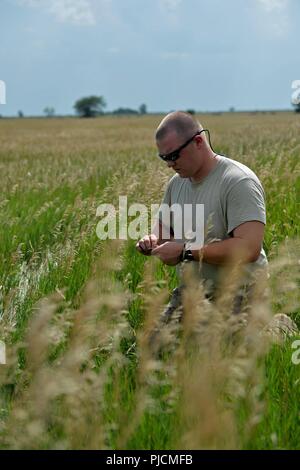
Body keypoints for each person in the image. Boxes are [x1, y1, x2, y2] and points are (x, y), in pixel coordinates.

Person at [136, 111, 269, 319]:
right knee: (153, 348)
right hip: (192, 293)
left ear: (198, 141)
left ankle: (275, 328)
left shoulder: (238, 182)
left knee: (218, 350)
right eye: (163, 158)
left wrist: (185, 252)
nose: (169, 164)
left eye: (173, 155)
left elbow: (249, 248)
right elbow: (163, 228)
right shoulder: (176, 183)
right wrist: (152, 241)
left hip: (241, 296)